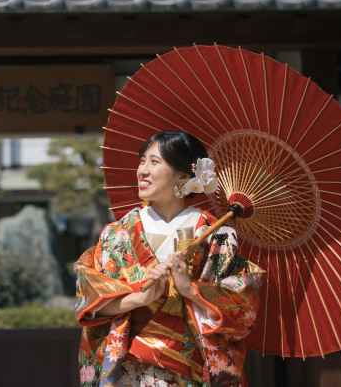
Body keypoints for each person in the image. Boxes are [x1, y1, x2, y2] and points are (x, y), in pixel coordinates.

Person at [74, 131, 265, 387]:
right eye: (142, 160)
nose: (143, 170)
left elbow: (242, 307)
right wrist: (140, 298)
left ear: (184, 176)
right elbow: (91, 299)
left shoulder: (216, 237)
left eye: (155, 162)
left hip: (188, 369)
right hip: (127, 369)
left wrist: (191, 290)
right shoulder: (117, 233)